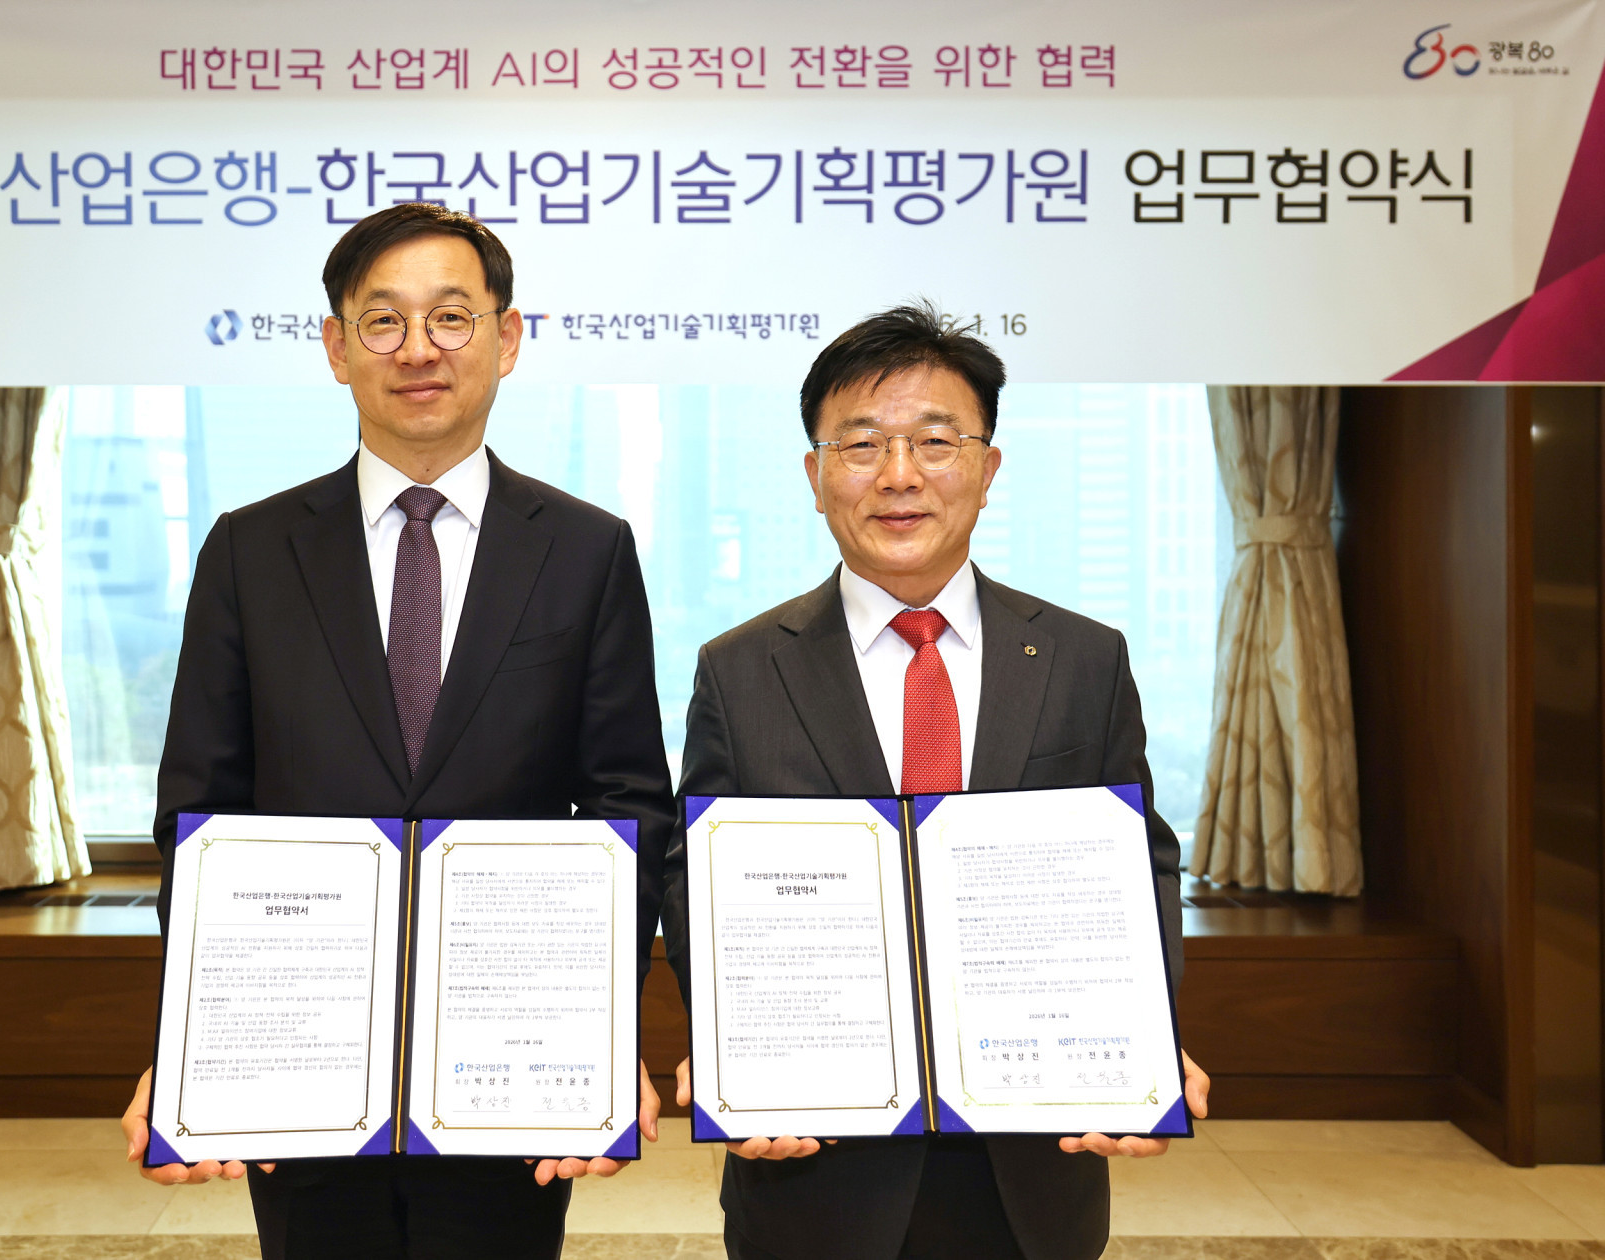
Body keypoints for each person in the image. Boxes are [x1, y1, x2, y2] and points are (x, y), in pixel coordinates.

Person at [117, 202, 678, 1260]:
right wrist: (188, 1044)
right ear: (337, 348)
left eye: (452, 316)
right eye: (383, 321)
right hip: (299, 1058)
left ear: (507, 339)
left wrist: (604, 1035)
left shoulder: (586, 550)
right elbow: (200, 817)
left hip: (511, 1069)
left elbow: (629, 807)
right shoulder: (250, 551)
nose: (419, 348)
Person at [658, 302, 1210, 1260]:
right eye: (861, 443)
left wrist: (1142, 1037)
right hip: (817, 1166)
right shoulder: (740, 669)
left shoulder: (1083, 659)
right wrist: (731, 1050)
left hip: (1032, 1157)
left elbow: (1140, 865)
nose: (899, 475)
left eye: (935, 441)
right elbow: (694, 876)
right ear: (816, 477)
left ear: (988, 469)